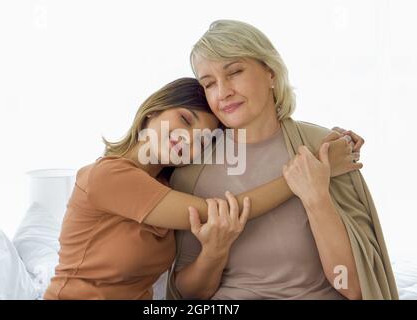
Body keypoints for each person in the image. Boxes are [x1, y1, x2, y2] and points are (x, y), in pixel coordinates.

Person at [44, 77, 358, 299]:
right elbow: (220, 212)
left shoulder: (169, 187)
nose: (188, 138)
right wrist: (315, 171)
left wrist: (326, 141)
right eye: (184, 119)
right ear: (152, 112)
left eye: (203, 140)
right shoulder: (108, 176)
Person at [167, 20, 398, 300]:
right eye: (209, 83)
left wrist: (316, 198)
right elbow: (190, 296)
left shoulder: (325, 148)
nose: (222, 91)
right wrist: (214, 252)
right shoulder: (191, 173)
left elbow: (354, 285)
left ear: (271, 73)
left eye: (235, 72)